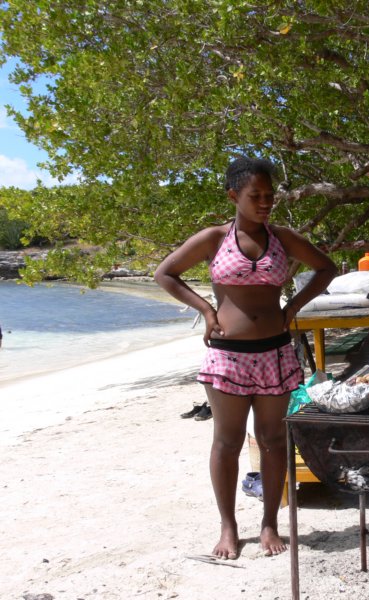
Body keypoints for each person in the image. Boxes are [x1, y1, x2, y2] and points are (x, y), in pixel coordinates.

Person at [155, 157, 336, 559]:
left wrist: (293, 310)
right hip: (227, 356)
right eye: (255, 196)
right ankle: (228, 526)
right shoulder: (214, 238)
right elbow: (165, 273)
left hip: (274, 352)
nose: (265, 202)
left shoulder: (283, 238)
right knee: (227, 441)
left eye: (270, 196)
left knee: (273, 440)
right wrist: (205, 309)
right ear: (234, 195)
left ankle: (270, 522)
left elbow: (326, 268)